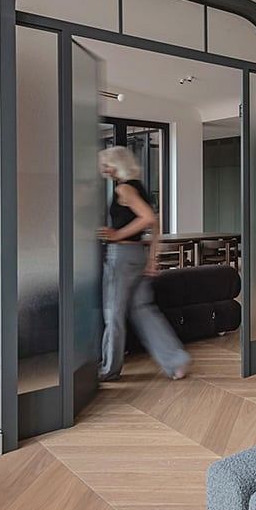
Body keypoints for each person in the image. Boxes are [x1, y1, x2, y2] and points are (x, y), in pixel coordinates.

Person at [98, 146, 190, 382]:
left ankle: (108, 369)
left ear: (117, 164)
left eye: (107, 164)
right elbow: (155, 224)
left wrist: (116, 235)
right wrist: (152, 259)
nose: (104, 169)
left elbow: (147, 219)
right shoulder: (139, 187)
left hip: (122, 257)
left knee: (114, 313)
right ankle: (176, 362)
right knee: (144, 311)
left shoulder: (124, 188)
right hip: (138, 255)